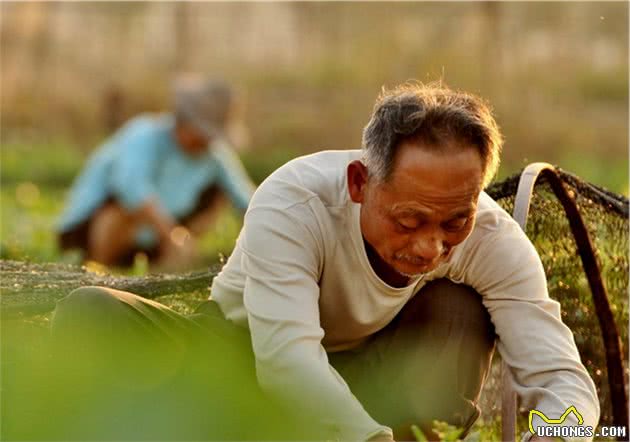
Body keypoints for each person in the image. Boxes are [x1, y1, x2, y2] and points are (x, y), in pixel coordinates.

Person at [49, 82, 599, 441]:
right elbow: (286, 362)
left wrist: (559, 434)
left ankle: (407, 427)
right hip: (240, 358)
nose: (432, 247)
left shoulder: (489, 236)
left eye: (453, 220)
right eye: (409, 221)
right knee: (94, 312)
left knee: (458, 306)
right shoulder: (295, 201)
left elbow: (560, 376)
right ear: (361, 183)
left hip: (370, 374)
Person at [56, 75, 255, 268]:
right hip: (91, 231)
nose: (206, 143)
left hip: (151, 240)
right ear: (184, 122)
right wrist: (169, 234)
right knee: (126, 208)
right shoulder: (145, 134)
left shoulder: (214, 154)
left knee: (219, 194)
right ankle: (97, 268)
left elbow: (245, 197)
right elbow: (130, 187)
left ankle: (165, 267)